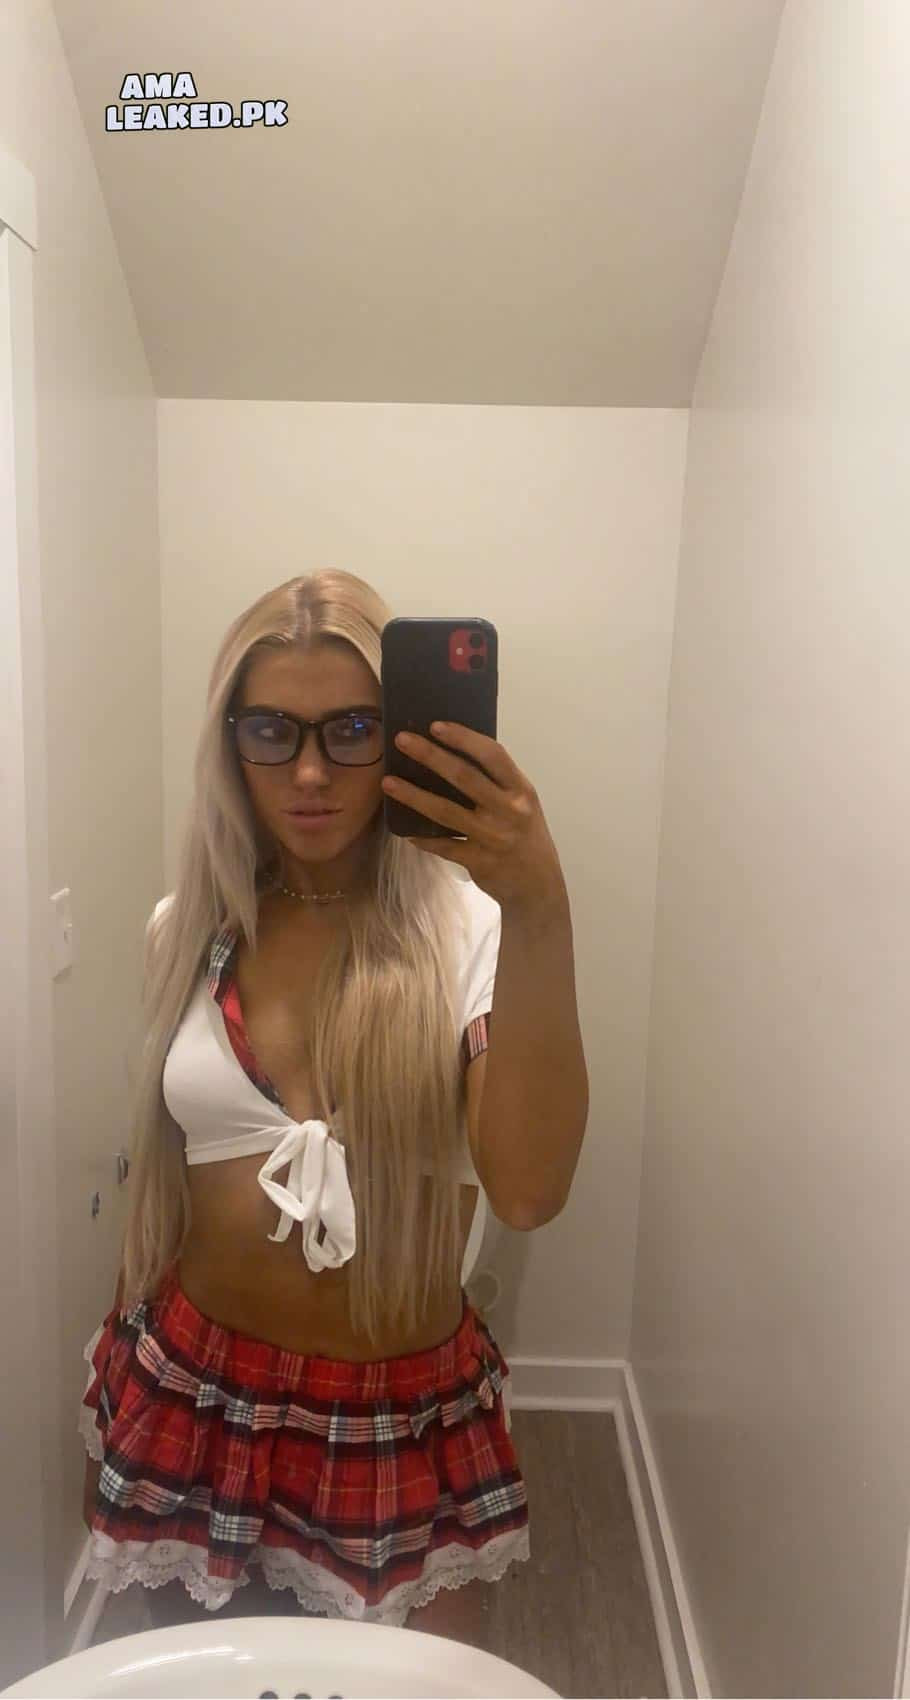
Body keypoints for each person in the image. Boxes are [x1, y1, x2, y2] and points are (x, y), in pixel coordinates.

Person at [79, 569, 589, 1643]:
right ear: (231, 743)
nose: (309, 772)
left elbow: (530, 1190)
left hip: (395, 1419)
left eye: (351, 729)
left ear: (398, 735)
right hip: (196, 1391)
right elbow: (163, 1183)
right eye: (272, 730)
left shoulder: (470, 928)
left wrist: (541, 905)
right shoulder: (188, 927)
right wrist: (127, 1379)